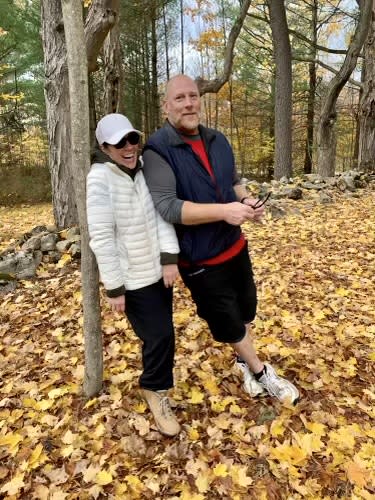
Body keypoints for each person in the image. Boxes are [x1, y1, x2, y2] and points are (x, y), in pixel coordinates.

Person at [143, 75, 299, 405]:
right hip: (200, 260)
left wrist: (246, 203)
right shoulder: (157, 150)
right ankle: (260, 372)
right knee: (227, 321)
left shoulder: (217, 139)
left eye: (193, 96)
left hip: (235, 247)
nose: (188, 103)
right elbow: (169, 207)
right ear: (166, 105)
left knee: (245, 311)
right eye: (180, 98)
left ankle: (243, 361)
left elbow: (233, 181)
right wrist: (223, 211)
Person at [86, 113, 181, 436]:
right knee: (160, 336)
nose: (128, 147)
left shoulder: (143, 171)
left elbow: (161, 217)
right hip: (132, 280)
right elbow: (101, 236)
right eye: (119, 143)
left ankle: (159, 382)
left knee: (163, 334)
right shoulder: (100, 178)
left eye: (132, 139)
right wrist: (114, 287)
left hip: (158, 272)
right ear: (105, 147)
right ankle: (154, 389)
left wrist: (170, 259)